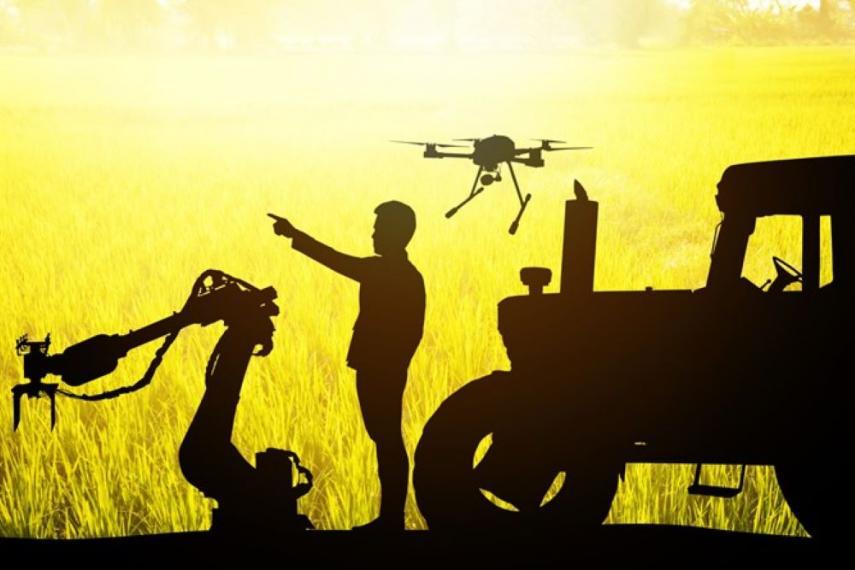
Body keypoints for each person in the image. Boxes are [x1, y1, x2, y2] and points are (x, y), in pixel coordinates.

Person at [271, 201, 425, 531]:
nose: (373, 233)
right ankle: (391, 518)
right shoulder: (406, 274)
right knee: (384, 437)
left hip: (378, 368)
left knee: (386, 439)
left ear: (396, 233)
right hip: (380, 366)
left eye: (379, 227)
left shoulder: (387, 272)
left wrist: (294, 234)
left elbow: (335, 261)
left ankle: (391, 520)